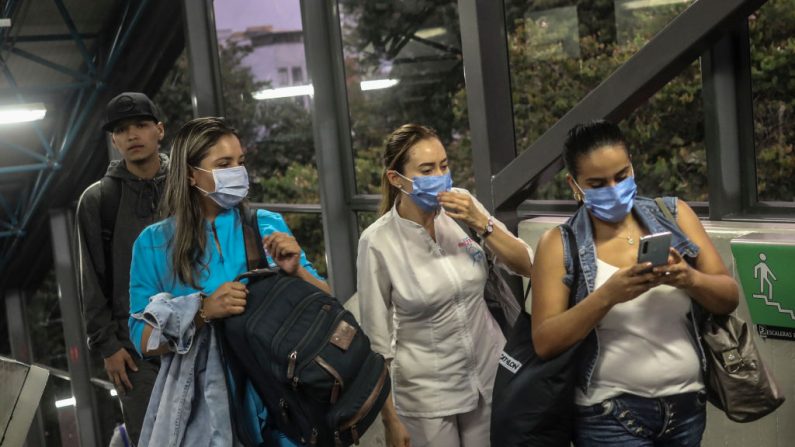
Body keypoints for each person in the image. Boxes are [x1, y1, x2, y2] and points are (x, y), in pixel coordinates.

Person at [530, 120, 739, 446]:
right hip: (608, 416)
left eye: (621, 176)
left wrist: (690, 279)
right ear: (575, 185)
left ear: (632, 167)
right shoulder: (559, 243)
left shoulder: (675, 215)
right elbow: (545, 341)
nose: (613, 189)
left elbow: (728, 297)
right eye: (597, 183)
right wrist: (607, 296)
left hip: (687, 407)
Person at [128, 117, 329, 446]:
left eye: (240, 162)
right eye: (224, 164)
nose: (238, 172)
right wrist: (202, 311)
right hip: (204, 416)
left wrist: (298, 272)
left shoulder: (265, 224)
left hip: (282, 402)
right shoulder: (153, 243)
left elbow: (327, 303)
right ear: (192, 174)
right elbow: (143, 339)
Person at [356, 124, 534, 447]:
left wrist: (483, 223)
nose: (440, 176)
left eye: (444, 165)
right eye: (426, 170)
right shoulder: (377, 243)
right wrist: (390, 419)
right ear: (397, 179)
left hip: (487, 376)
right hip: (427, 396)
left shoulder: (461, 207)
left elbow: (527, 264)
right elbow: (376, 344)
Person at [76, 91, 167, 444]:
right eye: (122, 129)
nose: (133, 135)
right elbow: (91, 283)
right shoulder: (99, 199)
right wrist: (108, 348)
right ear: (114, 140)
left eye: (141, 125)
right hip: (135, 350)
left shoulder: (188, 184)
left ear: (159, 130)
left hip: (199, 332)